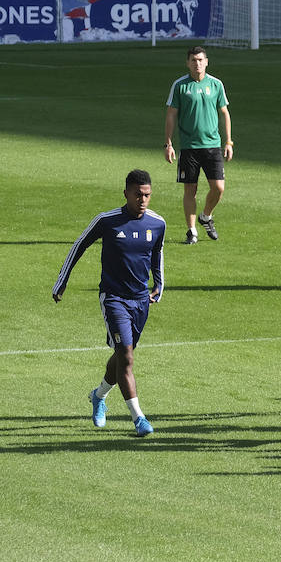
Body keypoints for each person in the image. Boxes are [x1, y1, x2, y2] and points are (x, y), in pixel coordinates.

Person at [54, 169, 166, 437]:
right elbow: (79, 245)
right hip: (113, 298)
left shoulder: (157, 223)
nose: (143, 200)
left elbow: (157, 254)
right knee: (126, 356)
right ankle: (139, 419)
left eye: (147, 195)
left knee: (121, 355)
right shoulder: (107, 221)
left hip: (141, 300)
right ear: (126, 193)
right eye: (138, 194)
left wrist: (159, 285)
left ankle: (98, 395)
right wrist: (62, 281)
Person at [164, 45, 232, 244]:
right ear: (187, 63)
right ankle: (192, 230)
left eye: (201, 60)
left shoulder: (216, 84)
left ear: (207, 62)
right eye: (193, 60)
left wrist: (228, 141)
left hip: (212, 145)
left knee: (218, 188)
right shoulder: (180, 85)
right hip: (189, 147)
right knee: (190, 190)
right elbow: (171, 115)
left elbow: (224, 113)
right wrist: (168, 144)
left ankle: (206, 216)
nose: (197, 64)